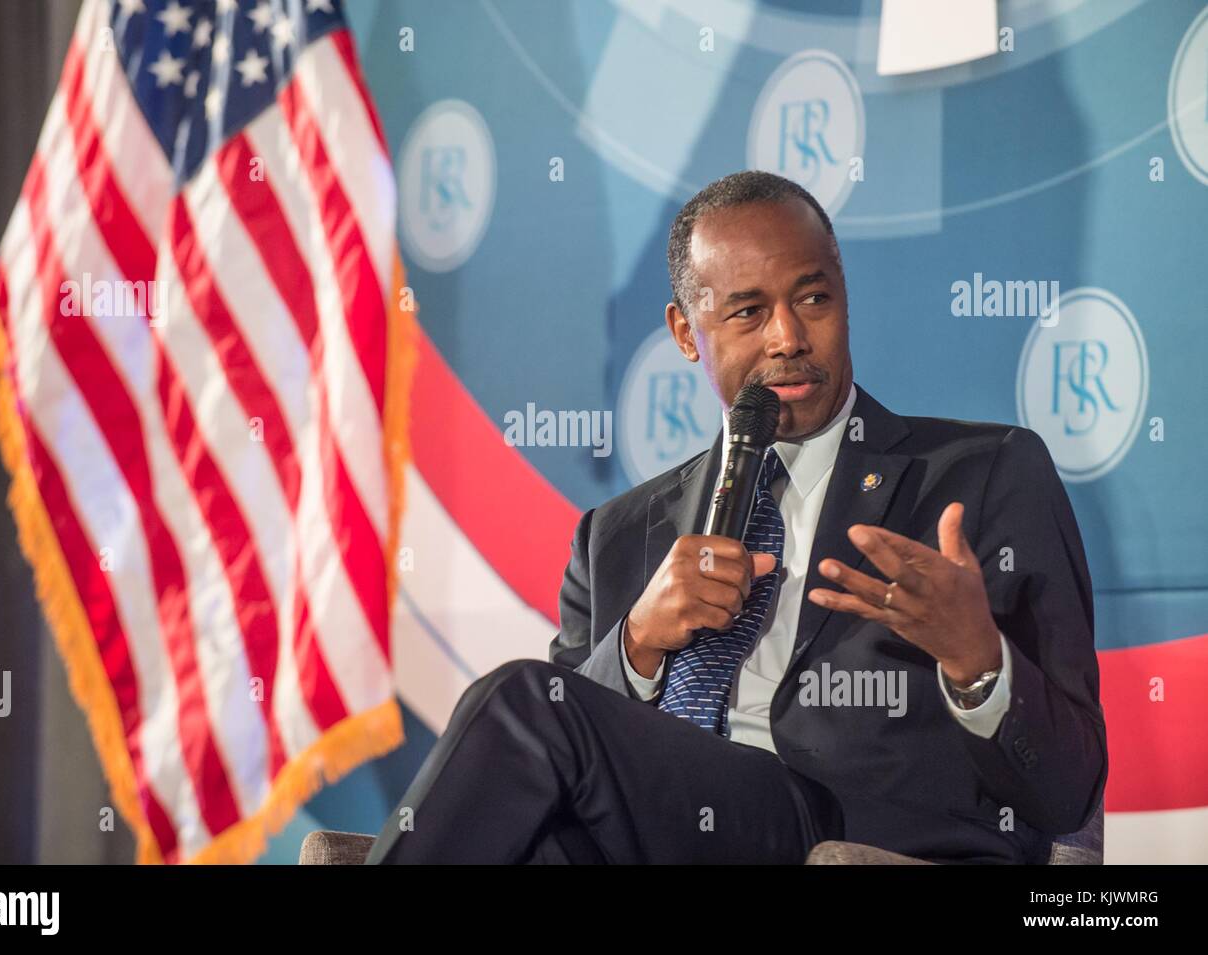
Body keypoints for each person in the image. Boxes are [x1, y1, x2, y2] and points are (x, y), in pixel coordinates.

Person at [365, 170, 1107, 864]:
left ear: (844, 297)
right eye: (750, 312)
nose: (788, 337)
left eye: (813, 299)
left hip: (844, 834)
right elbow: (565, 746)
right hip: (652, 834)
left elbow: (1068, 786)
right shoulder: (617, 537)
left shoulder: (982, 475)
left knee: (519, 699)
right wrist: (637, 644)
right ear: (687, 332)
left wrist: (978, 659)